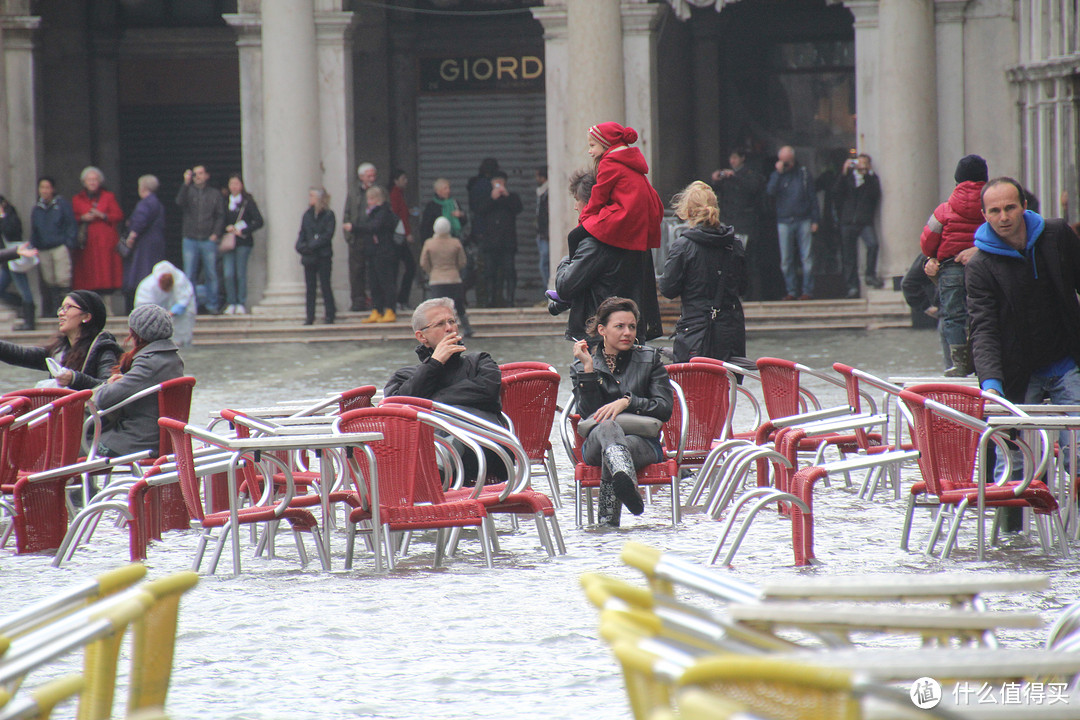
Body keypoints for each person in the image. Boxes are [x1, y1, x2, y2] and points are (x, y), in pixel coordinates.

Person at [967, 177, 1080, 500]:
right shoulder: (980, 266)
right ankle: (1012, 540)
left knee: (1079, 454)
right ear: (985, 215)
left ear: (1024, 207)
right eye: (995, 210)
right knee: (1013, 462)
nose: (1003, 217)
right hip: (1017, 371)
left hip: (1065, 360)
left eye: (1010, 208)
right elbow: (983, 327)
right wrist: (990, 382)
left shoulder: (1057, 235)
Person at [569, 296, 673, 527]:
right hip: (596, 443)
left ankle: (608, 521)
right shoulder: (581, 366)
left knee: (614, 455)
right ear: (602, 330)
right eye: (620, 326)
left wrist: (627, 402)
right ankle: (625, 479)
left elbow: (664, 408)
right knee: (607, 426)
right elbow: (588, 415)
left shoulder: (650, 359)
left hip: (643, 444)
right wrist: (588, 370)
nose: (627, 332)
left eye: (632, 327)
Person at [384, 297, 506, 482]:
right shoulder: (404, 376)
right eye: (440, 324)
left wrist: (433, 402)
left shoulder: (480, 361)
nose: (450, 328)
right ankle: (438, 469)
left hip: (486, 450)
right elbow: (397, 407)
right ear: (422, 336)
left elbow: (488, 392)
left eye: (452, 321)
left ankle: (439, 470)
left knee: (455, 425)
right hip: (429, 453)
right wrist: (434, 364)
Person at [551, 168, 663, 344]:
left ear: (591, 203)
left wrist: (566, 261)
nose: (575, 206)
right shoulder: (636, 237)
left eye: (576, 200)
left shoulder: (596, 242)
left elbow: (565, 286)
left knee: (591, 372)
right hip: (633, 333)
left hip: (600, 339)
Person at [660, 181, 746, 363]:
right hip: (730, 331)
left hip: (695, 331)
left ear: (688, 212)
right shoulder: (734, 244)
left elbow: (668, 289)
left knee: (694, 385)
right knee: (727, 386)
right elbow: (744, 287)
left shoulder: (684, 246)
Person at [920, 154, 988, 376]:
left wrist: (931, 256)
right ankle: (983, 360)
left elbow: (928, 238)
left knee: (953, 316)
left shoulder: (944, 209)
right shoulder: (991, 206)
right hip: (984, 267)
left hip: (950, 268)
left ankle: (959, 363)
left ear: (957, 179)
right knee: (984, 314)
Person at [92, 303, 183, 458]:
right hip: (160, 439)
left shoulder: (149, 363)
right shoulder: (172, 359)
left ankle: (77, 482)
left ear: (137, 334)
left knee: (77, 444)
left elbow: (103, 400)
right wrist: (125, 380)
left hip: (136, 443)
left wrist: (108, 384)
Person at [0, 289, 119, 390]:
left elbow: (108, 387)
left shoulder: (103, 349)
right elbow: (21, 355)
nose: (61, 314)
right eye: (61, 308)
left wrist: (74, 379)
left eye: (68, 307)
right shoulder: (59, 349)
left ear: (87, 316)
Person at [579, 122, 664, 254]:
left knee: (575, 236)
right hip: (642, 217)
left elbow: (599, 195)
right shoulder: (629, 160)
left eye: (592, 146)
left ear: (605, 143)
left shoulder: (609, 163)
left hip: (625, 215)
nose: (590, 151)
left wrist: (584, 217)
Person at [766, 146, 820, 300]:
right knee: (786, 260)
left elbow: (812, 197)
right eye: (783, 160)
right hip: (784, 220)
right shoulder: (778, 175)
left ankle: (807, 291)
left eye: (788, 160)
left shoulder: (803, 174)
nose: (786, 163)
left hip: (803, 219)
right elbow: (770, 191)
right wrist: (778, 173)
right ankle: (791, 291)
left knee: (807, 258)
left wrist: (815, 219)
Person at [711, 148, 766, 300]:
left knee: (748, 261)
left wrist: (735, 177)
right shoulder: (726, 178)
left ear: (742, 158)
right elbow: (713, 192)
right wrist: (715, 179)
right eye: (731, 158)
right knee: (730, 261)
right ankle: (734, 294)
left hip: (746, 224)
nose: (732, 161)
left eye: (735, 157)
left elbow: (754, 188)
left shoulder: (750, 174)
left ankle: (752, 295)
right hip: (730, 223)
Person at [175, 164, 225, 314]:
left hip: (208, 238)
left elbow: (220, 215)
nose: (198, 176)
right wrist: (185, 183)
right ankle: (191, 305)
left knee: (211, 273)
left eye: (201, 173)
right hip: (190, 238)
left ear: (207, 175)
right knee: (189, 274)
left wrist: (216, 233)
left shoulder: (214, 194)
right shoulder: (188, 192)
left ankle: (212, 305)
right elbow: (179, 202)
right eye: (195, 174)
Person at [833, 153, 883, 297]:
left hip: (864, 221)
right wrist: (844, 172)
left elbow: (875, 194)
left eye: (863, 163)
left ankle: (870, 274)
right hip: (848, 222)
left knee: (873, 245)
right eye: (858, 163)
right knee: (849, 256)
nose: (860, 166)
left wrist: (867, 174)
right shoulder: (848, 179)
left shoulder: (871, 180)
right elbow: (836, 193)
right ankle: (852, 286)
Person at [71, 166, 123, 297]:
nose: (92, 182)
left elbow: (118, 215)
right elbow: (70, 218)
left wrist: (102, 215)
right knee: (88, 272)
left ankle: (108, 303)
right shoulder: (77, 199)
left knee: (105, 272)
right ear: (84, 182)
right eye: (89, 180)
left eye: (95, 180)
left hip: (105, 242)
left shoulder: (108, 197)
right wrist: (83, 218)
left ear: (100, 182)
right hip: (86, 243)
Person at [29, 176, 77, 318]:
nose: (45, 191)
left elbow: (70, 225)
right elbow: (34, 230)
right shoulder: (36, 209)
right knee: (49, 280)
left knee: (63, 278)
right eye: (42, 187)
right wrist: (33, 246)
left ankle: (68, 309)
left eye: (47, 187)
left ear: (53, 189)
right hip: (43, 248)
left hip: (59, 246)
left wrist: (69, 243)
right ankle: (55, 309)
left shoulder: (61, 205)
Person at [474, 170, 522, 307]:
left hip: (507, 242)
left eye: (501, 182)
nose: (499, 185)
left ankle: (510, 299)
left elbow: (518, 208)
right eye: (496, 182)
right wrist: (492, 198)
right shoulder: (486, 198)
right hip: (490, 243)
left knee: (509, 271)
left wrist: (506, 196)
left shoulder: (511, 197)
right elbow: (479, 211)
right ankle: (490, 299)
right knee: (490, 272)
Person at [120, 174, 166, 315]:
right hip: (157, 241)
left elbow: (140, 220)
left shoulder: (145, 203)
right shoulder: (157, 202)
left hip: (145, 244)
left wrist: (132, 235)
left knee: (141, 273)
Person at [420, 216, 471, 337]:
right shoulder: (455, 243)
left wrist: (432, 272)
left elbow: (423, 262)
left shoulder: (429, 244)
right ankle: (467, 328)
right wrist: (455, 269)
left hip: (436, 280)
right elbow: (462, 261)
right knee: (458, 305)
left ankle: (437, 331)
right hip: (454, 278)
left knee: (437, 308)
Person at [221, 173, 264, 315]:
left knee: (240, 273)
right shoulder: (225, 201)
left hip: (243, 242)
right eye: (231, 184)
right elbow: (219, 219)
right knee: (228, 273)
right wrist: (226, 228)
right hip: (229, 241)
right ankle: (231, 301)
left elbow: (259, 221)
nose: (234, 187)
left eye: (236, 184)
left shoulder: (247, 202)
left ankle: (241, 302)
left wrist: (244, 230)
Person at [357, 185, 398, 324]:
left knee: (386, 282)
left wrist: (355, 228)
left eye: (371, 199)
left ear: (378, 199)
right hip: (372, 252)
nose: (368, 202)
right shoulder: (371, 213)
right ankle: (377, 309)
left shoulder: (384, 212)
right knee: (374, 283)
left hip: (383, 252)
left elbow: (374, 227)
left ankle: (390, 309)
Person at [295, 186, 336, 326]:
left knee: (325, 285)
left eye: (312, 195)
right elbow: (302, 233)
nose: (310, 198)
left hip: (323, 255)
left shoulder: (329, 215)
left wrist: (312, 245)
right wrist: (301, 246)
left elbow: (327, 235)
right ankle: (309, 316)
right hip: (309, 257)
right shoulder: (307, 215)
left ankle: (330, 314)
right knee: (310, 288)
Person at [134, 260, 196, 347]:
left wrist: (172, 312)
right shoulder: (147, 286)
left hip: (179, 318)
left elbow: (184, 300)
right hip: (155, 318)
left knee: (181, 335)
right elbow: (142, 307)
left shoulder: (180, 280)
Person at [342, 162, 376, 312]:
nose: (372, 178)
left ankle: (376, 300)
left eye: (373, 175)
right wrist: (349, 236)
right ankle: (358, 300)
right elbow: (347, 213)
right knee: (356, 271)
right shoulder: (354, 192)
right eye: (369, 175)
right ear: (361, 177)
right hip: (357, 238)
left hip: (373, 237)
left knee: (374, 270)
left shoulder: (378, 191)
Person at [0, 194, 36, 331]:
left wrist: (2, 216)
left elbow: (10, 232)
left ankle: (30, 321)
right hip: (6, 260)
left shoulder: (11, 216)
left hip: (15, 258)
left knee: (23, 287)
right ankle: (21, 304)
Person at [467, 158, 500, 307]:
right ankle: (490, 299)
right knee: (489, 268)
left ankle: (483, 300)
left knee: (482, 268)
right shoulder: (486, 186)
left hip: (480, 232)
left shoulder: (475, 185)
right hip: (488, 233)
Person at [389, 169, 416, 311]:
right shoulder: (395, 195)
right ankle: (399, 299)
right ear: (396, 180)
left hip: (400, 236)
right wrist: (407, 233)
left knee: (404, 268)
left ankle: (399, 299)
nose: (406, 181)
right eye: (403, 178)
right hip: (399, 238)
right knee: (409, 267)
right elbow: (398, 217)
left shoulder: (399, 194)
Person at [418, 178, 467, 243]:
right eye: (445, 189)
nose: (448, 191)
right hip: (437, 242)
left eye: (449, 188)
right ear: (438, 191)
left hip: (453, 240)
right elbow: (426, 226)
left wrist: (461, 215)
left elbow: (464, 222)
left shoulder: (454, 203)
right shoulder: (431, 206)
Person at [535, 166, 550, 287]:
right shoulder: (541, 193)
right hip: (542, 234)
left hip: (546, 235)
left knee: (544, 264)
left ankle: (550, 292)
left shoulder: (548, 193)